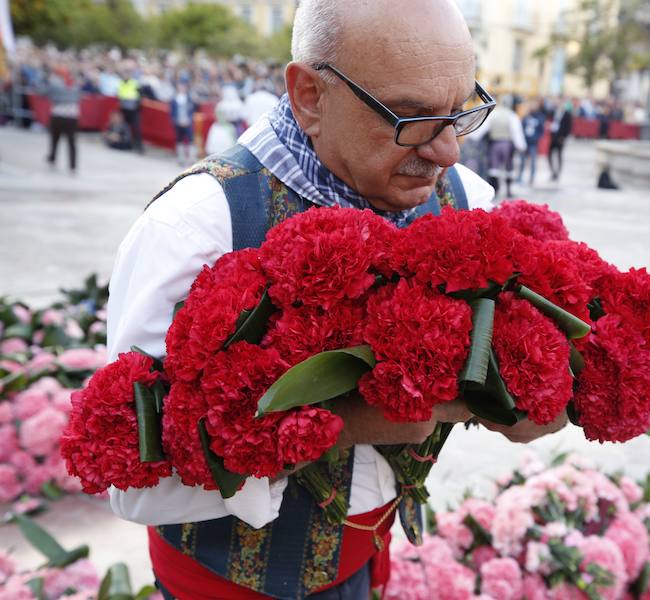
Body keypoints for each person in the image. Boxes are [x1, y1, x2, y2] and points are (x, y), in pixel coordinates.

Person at [106, 2, 566, 599]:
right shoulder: (196, 227)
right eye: (410, 116)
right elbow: (132, 479)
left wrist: (514, 396)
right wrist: (339, 424)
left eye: (460, 111)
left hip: (367, 565)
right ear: (309, 95)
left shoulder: (465, 198)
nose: (449, 150)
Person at [470, 94, 526, 197]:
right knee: (509, 167)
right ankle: (509, 190)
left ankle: (495, 189)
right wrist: (521, 147)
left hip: (495, 144)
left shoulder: (494, 114)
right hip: (508, 146)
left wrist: (472, 137)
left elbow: (482, 129)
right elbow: (516, 133)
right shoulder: (512, 116)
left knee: (493, 168)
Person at [45, 66, 80, 173]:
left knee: (55, 138)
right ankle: (72, 165)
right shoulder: (75, 85)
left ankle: (52, 157)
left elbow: (46, 93)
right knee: (72, 141)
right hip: (72, 115)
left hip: (58, 114)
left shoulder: (55, 84)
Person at [518, 101, 546, 186]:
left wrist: (536, 138)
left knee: (533, 161)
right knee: (522, 160)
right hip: (525, 141)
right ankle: (520, 176)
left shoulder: (540, 117)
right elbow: (521, 128)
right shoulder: (525, 117)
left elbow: (541, 130)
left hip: (533, 142)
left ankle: (532, 177)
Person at [170, 80, 196, 166]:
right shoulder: (174, 98)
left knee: (190, 139)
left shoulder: (189, 98)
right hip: (178, 122)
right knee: (179, 140)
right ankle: (181, 158)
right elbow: (172, 112)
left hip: (187, 122)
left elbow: (192, 110)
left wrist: (189, 120)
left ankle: (191, 158)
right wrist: (175, 121)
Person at [117, 71, 143, 153]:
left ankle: (139, 146)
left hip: (134, 108)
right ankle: (129, 144)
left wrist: (137, 104)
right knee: (126, 128)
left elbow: (140, 94)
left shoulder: (134, 83)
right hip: (125, 109)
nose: (125, 76)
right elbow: (120, 95)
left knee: (136, 127)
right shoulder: (121, 83)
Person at [548, 98, 573, 181]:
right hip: (553, 136)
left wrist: (563, 137)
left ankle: (558, 172)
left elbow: (568, 127)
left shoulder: (567, 114)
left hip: (560, 137)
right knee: (549, 154)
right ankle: (553, 171)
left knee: (559, 155)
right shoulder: (554, 112)